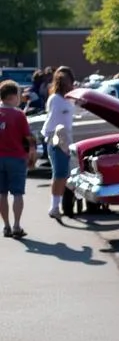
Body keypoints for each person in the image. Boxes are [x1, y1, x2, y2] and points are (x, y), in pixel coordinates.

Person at [0, 79, 35, 238]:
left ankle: (5, 225)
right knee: (17, 193)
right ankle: (16, 226)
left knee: (2, 194)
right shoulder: (18, 114)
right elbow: (28, 138)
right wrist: (32, 155)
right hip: (16, 157)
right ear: (13, 96)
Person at [42, 66, 75, 221]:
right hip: (56, 140)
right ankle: (54, 206)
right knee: (60, 173)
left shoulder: (68, 99)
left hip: (66, 140)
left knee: (65, 174)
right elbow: (53, 123)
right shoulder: (56, 99)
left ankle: (60, 205)